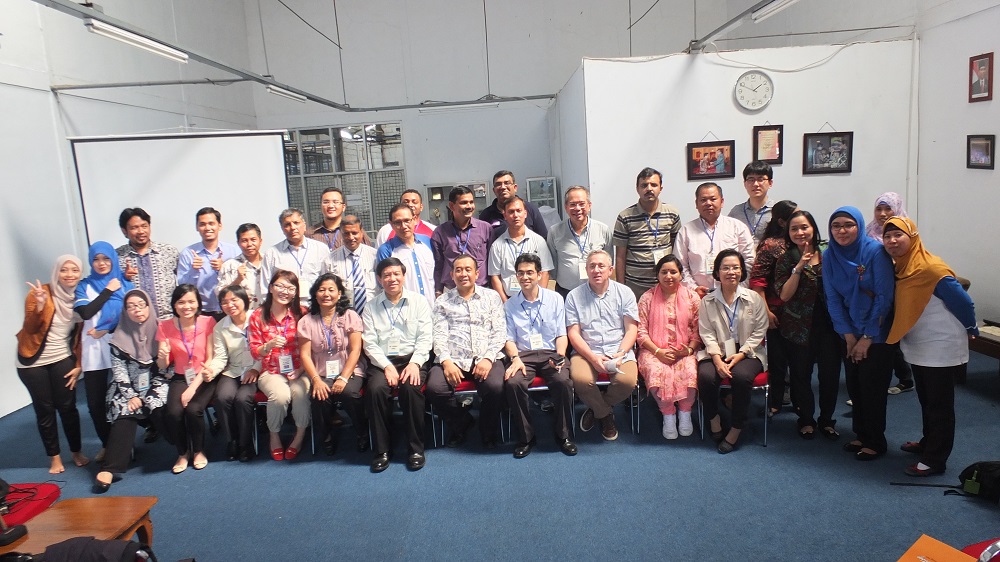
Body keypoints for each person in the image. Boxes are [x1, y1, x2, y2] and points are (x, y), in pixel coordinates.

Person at [883, 216, 978, 476]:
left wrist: (972, 328)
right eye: (887, 236)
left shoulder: (931, 268)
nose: (892, 241)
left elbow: (964, 302)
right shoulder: (902, 268)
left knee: (939, 405)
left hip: (941, 345)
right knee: (927, 399)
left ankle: (935, 460)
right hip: (920, 344)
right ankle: (928, 442)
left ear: (912, 237)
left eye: (898, 235)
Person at [823, 207, 895, 461]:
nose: (841, 231)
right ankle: (861, 434)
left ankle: (876, 441)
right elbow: (832, 298)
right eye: (836, 226)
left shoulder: (875, 252)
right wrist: (848, 335)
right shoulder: (830, 255)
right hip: (849, 331)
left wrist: (867, 337)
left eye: (848, 225)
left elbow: (884, 297)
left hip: (878, 333)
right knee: (855, 385)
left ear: (859, 226)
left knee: (872, 387)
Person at [16, 255, 88, 474]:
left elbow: (81, 336)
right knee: (45, 409)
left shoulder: (80, 297)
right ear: (56, 272)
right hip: (32, 361)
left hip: (62, 357)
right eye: (64, 270)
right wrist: (39, 306)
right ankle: (54, 458)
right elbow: (29, 328)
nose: (69, 275)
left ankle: (76, 452)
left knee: (68, 407)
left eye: (74, 270)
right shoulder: (40, 293)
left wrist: (79, 364)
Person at [774, 211, 842, 440]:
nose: (800, 232)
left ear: (813, 228)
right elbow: (784, 295)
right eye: (794, 229)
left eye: (804, 227)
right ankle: (805, 420)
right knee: (800, 376)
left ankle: (827, 420)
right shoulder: (786, 258)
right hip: (798, 327)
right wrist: (799, 267)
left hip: (830, 326)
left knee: (830, 375)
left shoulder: (828, 251)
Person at [93, 289, 169, 493]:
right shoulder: (119, 337)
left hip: (156, 383)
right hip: (126, 388)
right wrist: (132, 395)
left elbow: (165, 370)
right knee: (125, 411)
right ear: (125, 311)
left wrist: (150, 393)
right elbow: (119, 372)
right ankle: (110, 468)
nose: (137, 310)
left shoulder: (162, 331)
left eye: (141, 305)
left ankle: (183, 448)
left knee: (159, 405)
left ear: (149, 306)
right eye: (131, 306)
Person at [427, 255, 506, 449]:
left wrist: (488, 358)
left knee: (495, 387)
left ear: (477, 274)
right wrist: (446, 362)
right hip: (453, 359)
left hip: (486, 356)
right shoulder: (443, 301)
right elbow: (438, 335)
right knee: (435, 389)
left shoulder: (492, 297)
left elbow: (499, 332)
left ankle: (488, 431)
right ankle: (461, 422)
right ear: (452, 275)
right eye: (458, 270)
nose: (463, 274)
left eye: (468, 269)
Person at [363, 257, 433, 472]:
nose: (392, 279)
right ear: (379, 279)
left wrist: (415, 363)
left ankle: (415, 449)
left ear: (403, 276)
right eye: (386, 275)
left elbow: (426, 337)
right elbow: (369, 343)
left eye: (396, 274)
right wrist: (386, 366)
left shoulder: (419, 302)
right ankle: (382, 450)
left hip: (413, 358)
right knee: (375, 390)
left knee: (411, 389)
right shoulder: (370, 306)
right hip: (382, 361)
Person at [503, 254, 577, 458]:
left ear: (539, 274)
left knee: (563, 382)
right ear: (516, 276)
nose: (525, 277)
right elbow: (508, 339)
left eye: (530, 272)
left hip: (551, 352)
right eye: (520, 273)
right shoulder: (510, 305)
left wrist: (560, 356)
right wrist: (515, 358)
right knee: (513, 383)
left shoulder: (555, 299)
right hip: (523, 356)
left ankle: (563, 435)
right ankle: (526, 437)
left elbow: (561, 334)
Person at [697, 249, 768, 454]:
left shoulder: (754, 298)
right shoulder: (707, 301)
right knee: (706, 377)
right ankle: (714, 419)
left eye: (736, 267)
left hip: (749, 351)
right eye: (726, 268)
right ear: (717, 272)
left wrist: (742, 353)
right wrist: (717, 359)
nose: (731, 272)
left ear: (742, 271)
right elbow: (706, 332)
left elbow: (760, 330)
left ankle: (736, 427)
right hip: (717, 350)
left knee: (741, 377)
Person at [566, 250, 639, 441]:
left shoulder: (625, 293)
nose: (596, 270)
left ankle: (596, 408)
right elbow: (573, 333)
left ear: (610, 270)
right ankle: (605, 415)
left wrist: (621, 352)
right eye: (592, 266)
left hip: (619, 350)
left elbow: (631, 329)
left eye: (601, 266)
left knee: (627, 382)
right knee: (581, 380)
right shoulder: (574, 296)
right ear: (586, 270)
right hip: (586, 351)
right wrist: (592, 358)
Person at [75, 241, 134, 462]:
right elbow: (86, 312)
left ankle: (124, 445)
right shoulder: (85, 285)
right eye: (96, 259)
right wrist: (108, 290)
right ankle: (108, 444)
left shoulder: (126, 284)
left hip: (122, 345)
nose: (101, 263)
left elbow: (132, 315)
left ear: (113, 260)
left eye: (106, 258)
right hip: (93, 349)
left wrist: (106, 328)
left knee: (125, 398)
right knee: (95, 403)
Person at [298, 273, 368, 456]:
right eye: (321, 290)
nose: (326, 294)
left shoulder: (350, 316)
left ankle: (362, 432)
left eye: (331, 290)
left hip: (350, 370)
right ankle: (326, 437)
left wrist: (343, 378)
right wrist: (316, 380)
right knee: (319, 396)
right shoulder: (306, 321)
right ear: (315, 294)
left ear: (339, 294)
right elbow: (305, 355)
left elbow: (356, 350)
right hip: (321, 372)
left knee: (349, 393)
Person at [636, 255, 702, 440]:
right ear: (657, 275)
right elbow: (640, 331)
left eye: (673, 272)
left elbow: (698, 329)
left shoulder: (692, 297)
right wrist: (658, 352)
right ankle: (668, 414)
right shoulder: (647, 298)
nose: (669, 276)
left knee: (690, 371)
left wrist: (688, 350)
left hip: (686, 350)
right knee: (655, 372)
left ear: (681, 274)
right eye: (664, 272)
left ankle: (685, 412)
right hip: (653, 350)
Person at [248, 270, 309, 461]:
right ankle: (274, 435)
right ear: (270, 288)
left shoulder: (302, 313)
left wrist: (300, 369)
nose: (285, 291)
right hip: (271, 370)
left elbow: (311, 347)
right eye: (280, 286)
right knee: (280, 396)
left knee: (300, 394)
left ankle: (299, 436)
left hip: (300, 368)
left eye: (290, 288)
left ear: (296, 292)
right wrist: (268, 345)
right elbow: (254, 352)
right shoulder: (258, 315)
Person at [157, 284, 217, 473]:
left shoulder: (208, 322)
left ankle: (198, 451)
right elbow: (162, 365)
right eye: (181, 302)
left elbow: (211, 358)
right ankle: (183, 453)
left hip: (205, 376)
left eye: (191, 301)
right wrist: (162, 356)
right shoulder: (164, 326)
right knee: (173, 413)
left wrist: (192, 389)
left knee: (193, 409)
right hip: (180, 376)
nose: (187, 306)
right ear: (174, 305)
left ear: (198, 303)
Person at [747, 200, 797, 416]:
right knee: (777, 361)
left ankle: (800, 402)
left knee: (800, 362)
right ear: (782, 222)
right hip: (776, 311)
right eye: (794, 217)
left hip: (801, 313)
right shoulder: (770, 245)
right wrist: (766, 312)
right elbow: (758, 282)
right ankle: (775, 401)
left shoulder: (801, 243)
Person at [865, 191, 915, 395]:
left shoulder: (905, 233)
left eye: (888, 209)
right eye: (879, 209)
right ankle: (898, 377)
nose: (883, 214)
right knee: (884, 338)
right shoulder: (869, 232)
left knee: (890, 338)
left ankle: (902, 378)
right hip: (873, 293)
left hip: (897, 292)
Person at [206, 285, 261, 463]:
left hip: (256, 368)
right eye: (224, 302)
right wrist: (211, 371)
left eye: (234, 300)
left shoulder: (258, 318)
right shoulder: (220, 327)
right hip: (233, 370)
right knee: (222, 398)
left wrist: (256, 368)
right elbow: (221, 357)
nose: (230, 305)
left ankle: (246, 444)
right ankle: (232, 441)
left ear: (244, 299)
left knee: (242, 399)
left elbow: (268, 350)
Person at [674, 183, 756, 298]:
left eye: (713, 199)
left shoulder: (738, 227)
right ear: (696, 204)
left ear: (722, 201)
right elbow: (680, 265)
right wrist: (693, 288)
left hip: (734, 293)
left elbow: (749, 260)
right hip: (699, 296)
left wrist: (739, 287)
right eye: (703, 200)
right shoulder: (686, 231)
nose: (708, 203)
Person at [613, 167, 682, 300]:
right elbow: (620, 256)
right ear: (637, 189)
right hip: (635, 285)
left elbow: (677, 250)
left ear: (661, 188)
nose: (649, 189)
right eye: (644, 185)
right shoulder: (625, 217)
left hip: (665, 283)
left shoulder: (672, 213)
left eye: (654, 185)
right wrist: (621, 288)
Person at [546, 186, 615, 297]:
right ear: (566, 207)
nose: (577, 208)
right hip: (565, 291)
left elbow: (608, 262)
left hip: (596, 290)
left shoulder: (603, 230)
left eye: (582, 204)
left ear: (589, 205)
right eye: (572, 204)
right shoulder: (555, 231)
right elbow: (553, 265)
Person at [115, 207, 180, 320]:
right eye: (134, 227)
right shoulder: (117, 257)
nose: (141, 231)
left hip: (168, 320)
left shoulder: (168, 251)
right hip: (135, 324)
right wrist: (124, 277)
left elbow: (184, 280)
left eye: (144, 226)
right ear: (124, 231)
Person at [177, 207, 240, 319]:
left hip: (230, 309)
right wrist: (193, 271)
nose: (207, 228)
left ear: (219, 226)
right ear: (197, 227)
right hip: (200, 312)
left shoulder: (234, 251)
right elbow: (182, 287)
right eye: (202, 224)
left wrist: (224, 268)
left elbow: (242, 280)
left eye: (211, 223)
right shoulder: (188, 253)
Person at [488, 196, 554, 302]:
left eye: (519, 211)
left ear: (525, 213)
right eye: (511, 212)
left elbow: (545, 272)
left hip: (534, 298)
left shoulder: (539, 241)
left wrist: (538, 299)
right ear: (505, 215)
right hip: (509, 299)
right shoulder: (497, 246)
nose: (515, 215)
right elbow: (495, 277)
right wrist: (506, 303)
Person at [431, 186, 492, 295]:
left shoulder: (485, 229)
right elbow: (438, 265)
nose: (469, 206)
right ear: (451, 206)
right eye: (464, 203)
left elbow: (491, 262)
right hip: (451, 292)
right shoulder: (440, 232)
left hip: (481, 291)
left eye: (471, 202)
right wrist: (438, 291)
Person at [262, 208, 330, 305]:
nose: (293, 227)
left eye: (296, 223)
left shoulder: (321, 249)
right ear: (282, 229)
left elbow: (328, 281)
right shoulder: (272, 253)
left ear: (304, 225)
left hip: (315, 306)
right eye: (287, 224)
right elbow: (265, 287)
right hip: (285, 308)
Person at [376, 204, 436, 309]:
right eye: (398, 222)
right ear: (391, 224)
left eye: (407, 220)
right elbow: (384, 283)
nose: (403, 226)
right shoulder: (386, 250)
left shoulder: (428, 242)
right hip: (404, 309)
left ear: (414, 220)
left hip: (432, 307)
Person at [322, 215, 378, 314]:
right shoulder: (330, 260)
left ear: (361, 232)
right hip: (343, 314)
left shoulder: (375, 256)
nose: (351, 237)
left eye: (354, 233)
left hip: (374, 311)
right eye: (346, 233)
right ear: (341, 234)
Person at [479, 170, 549, 238]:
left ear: (515, 188)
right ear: (494, 190)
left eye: (507, 183)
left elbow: (543, 237)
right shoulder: (486, 215)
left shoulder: (530, 208)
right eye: (498, 184)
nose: (503, 187)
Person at [216, 223, 268, 311]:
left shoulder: (269, 262)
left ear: (260, 241)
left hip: (268, 314)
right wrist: (237, 280)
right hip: (243, 315)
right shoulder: (229, 266)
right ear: (238, 243)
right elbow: (220, 295)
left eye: (253, 240)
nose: (249, 244)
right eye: (244, 241)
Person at [729, 161, 776, 244]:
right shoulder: (736, 212)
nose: (755, 184)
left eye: (760, 179)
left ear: (770, 183)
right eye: (751, 180)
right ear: (745, 184)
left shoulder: (777, 210)